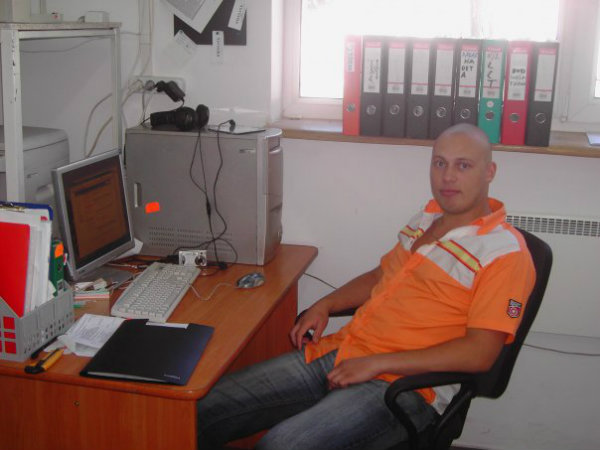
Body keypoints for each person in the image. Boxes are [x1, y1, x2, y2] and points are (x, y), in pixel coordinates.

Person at [197, 123, 536, 450]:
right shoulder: (426, 219)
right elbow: (379, 276)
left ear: (489, 172)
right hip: (346, 352)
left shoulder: (504, 253)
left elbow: (480, 353)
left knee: (280, 445)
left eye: (463, 165)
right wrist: (325, 305)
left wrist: (378, 363)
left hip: (406, 390)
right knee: (203, 408)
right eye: (439, 163)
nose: (447, 176)